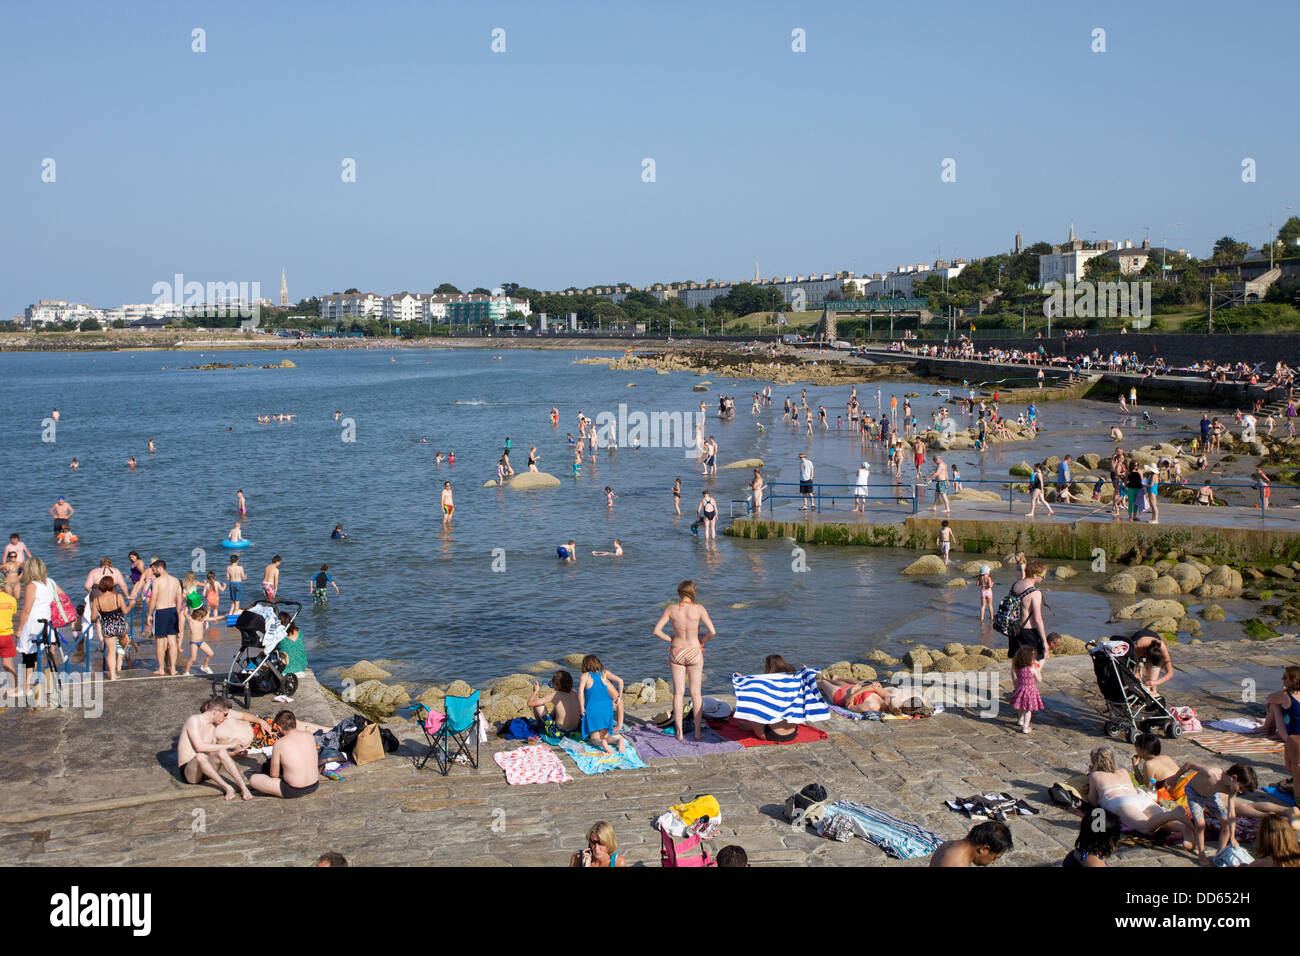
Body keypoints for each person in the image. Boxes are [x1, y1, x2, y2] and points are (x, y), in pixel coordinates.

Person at [1085, 748, 1192, 848]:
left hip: (1120, 802)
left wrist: (1090, 774)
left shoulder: (1095, 775)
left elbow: (1093, 802)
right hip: (1140, 797)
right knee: (1161, 822)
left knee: (1146, 828)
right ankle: (1183, 828)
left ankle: (1173, 814)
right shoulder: (1123, 771)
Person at [653, 580, 716, 742]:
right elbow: (713, 632)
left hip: (677, 651)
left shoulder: (671, 609)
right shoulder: (699, 609)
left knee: (678, 693)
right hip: (694, 651)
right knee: (696, 693)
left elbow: (656, 631)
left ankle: (679, 732)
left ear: (679, 593)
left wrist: (671, 638)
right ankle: (696, 732)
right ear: (693, 592)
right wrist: (703, 640)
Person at [176, 697, 254, 801]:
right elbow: (199, 747)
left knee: (221, 752)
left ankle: (243, 788)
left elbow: (212, 751)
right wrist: (229, 745)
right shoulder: (194, 720)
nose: (226, 718)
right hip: (190, 772)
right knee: (200, 756)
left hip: (207, 768)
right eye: (225, 714)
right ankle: (227, 787)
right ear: (216, 712)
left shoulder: (213, 726)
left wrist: (234, 753)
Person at [248, 711, 321, 798]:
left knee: (253, 779)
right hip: (314, 784)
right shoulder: (309, 735)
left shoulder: (279, 744)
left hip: (293, 789)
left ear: (279, 728)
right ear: (295, 722)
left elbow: (274, 775)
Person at [736, 654, 801, 743]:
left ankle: (757, 729)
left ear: (768, 667)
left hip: (773, 735)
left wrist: (740, 679)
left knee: (754, 705)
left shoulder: (768, 685)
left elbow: (749, 691)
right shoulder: (792, 683)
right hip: (792, 733)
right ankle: (755, 728)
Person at [577, 655, 625, 754]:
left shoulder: (585, 676)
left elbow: (580, 692)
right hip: (606, 708)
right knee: (606, 736)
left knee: (594, 738)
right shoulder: (604, 673)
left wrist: (581, 707)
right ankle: (618, 740)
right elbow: (620, 681)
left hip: (592, 709)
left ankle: (601, 744)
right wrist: (619, 696)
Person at [147, 559, 183, 676]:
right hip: (172, 611)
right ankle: (173, 669)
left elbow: (153, 599)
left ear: (160, 568)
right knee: (173, 642)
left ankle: (161, 669)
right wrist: (177, 612)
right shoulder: (176, 581)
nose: (153, 572)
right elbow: (180, 598)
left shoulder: (157, 582)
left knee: (160, 642)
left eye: (154, 570)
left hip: (161, 611)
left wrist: (149, 614)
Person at [91, 575, 130, 680]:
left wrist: (99, 617)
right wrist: (132, 604)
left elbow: (93, 617)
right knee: (126, 628)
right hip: (120, 625)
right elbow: (125, 611)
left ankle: (112, 675)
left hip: (107, 627)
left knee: (111, 651)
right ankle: (124, 641)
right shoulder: (118, 596)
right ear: (112, 585)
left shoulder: (96, 600)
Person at [1009, 561, 1049, 660]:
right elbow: (1037, 618)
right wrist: (1044, 641)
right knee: (1034, 662)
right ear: (1035, 575)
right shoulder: (1035, 592)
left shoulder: (1015, 585)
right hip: (1027, 632)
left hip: (1013, 630)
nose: (1043, 578)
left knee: (1017, 662)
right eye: (1042, 576)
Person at [930, 821, 1013, 867]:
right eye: (994, 857)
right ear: (984, 849)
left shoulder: (948, 844)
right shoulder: (958, 864)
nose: (992, 862)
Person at [528, 669, 581, 737]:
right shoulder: (575, 693)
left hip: (558, 733)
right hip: (573, 732)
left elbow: (530, 703)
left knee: (538, 705)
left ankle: (539, 724)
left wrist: (535, 691)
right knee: (561, 706)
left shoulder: (555, 694)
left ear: (556, 684)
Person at [1008, 644, 1044, 734]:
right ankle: (1025, 727)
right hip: (1030, 691)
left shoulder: (1019, 668)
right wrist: (1038, 670)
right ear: (1030, 659)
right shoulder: (1033, 670)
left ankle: (1020, 719)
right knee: (1028, 710)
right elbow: (1039, 680)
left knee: (1020, 706)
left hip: (1020, 689)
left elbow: (1017, 678)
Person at [1261, 665, 1300, 741]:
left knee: (1275, 704)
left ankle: (1266, 728)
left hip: (1292, 739)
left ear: (1293, 680)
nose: (1282, 679)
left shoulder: (1285, 695)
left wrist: (1284, 691)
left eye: (1285, 677)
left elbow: (1269, 698)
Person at [181, 607, 215, 676]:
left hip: (201, 642)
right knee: (193, 658)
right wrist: (188, 605)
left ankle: (205, 666)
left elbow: (214, 618)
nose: (204, 617)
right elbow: (185, 614)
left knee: (211, 654)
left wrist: (224, 616)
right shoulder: (191, 620)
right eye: (203, 616)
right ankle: (186, 672)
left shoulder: (202, 620)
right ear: (199, 616)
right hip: (194, 643)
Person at [0, 579, 16, 694]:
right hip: (7, 635)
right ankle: (14, 687)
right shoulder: (11, 600)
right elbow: (13, 613)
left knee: (7, 664)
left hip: (5, 634)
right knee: (8, 664)